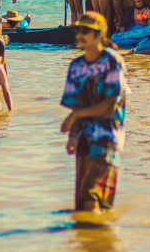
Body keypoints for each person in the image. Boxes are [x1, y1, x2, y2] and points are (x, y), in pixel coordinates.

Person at [60, 12, 129, 212]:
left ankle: (101, 240)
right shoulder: (76, 66)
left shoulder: (112, 62)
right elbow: (76, 105)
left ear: (99, 35)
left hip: (107, 138)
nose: (80, 35)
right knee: (82, 203)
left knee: (93, 198)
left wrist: (75, 116)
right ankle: (92, 241)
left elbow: (111, 104)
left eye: (86, 31)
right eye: (78, 30)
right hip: (84, 138)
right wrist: (73, 135)